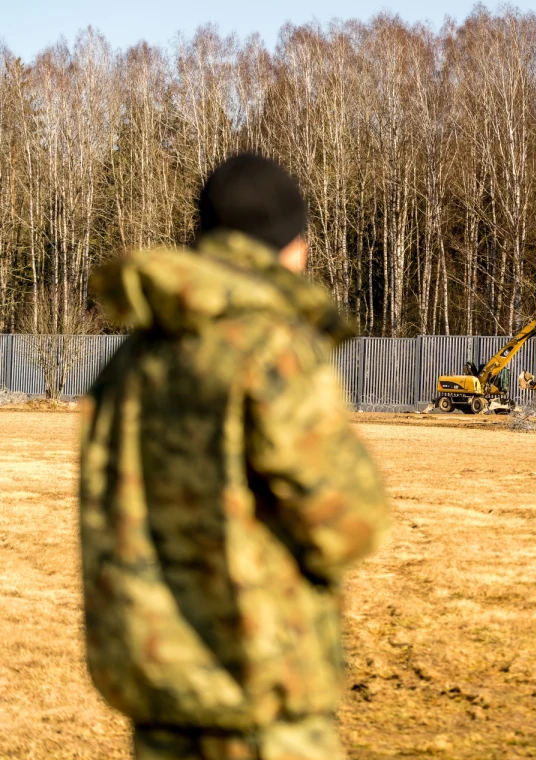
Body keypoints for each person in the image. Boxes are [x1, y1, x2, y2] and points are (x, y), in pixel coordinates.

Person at [79, 152, 390, 760]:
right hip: (260, 699)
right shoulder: (271, 347)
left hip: (160, 692)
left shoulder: (134, 358)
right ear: (292, 246)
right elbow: (347, 525)